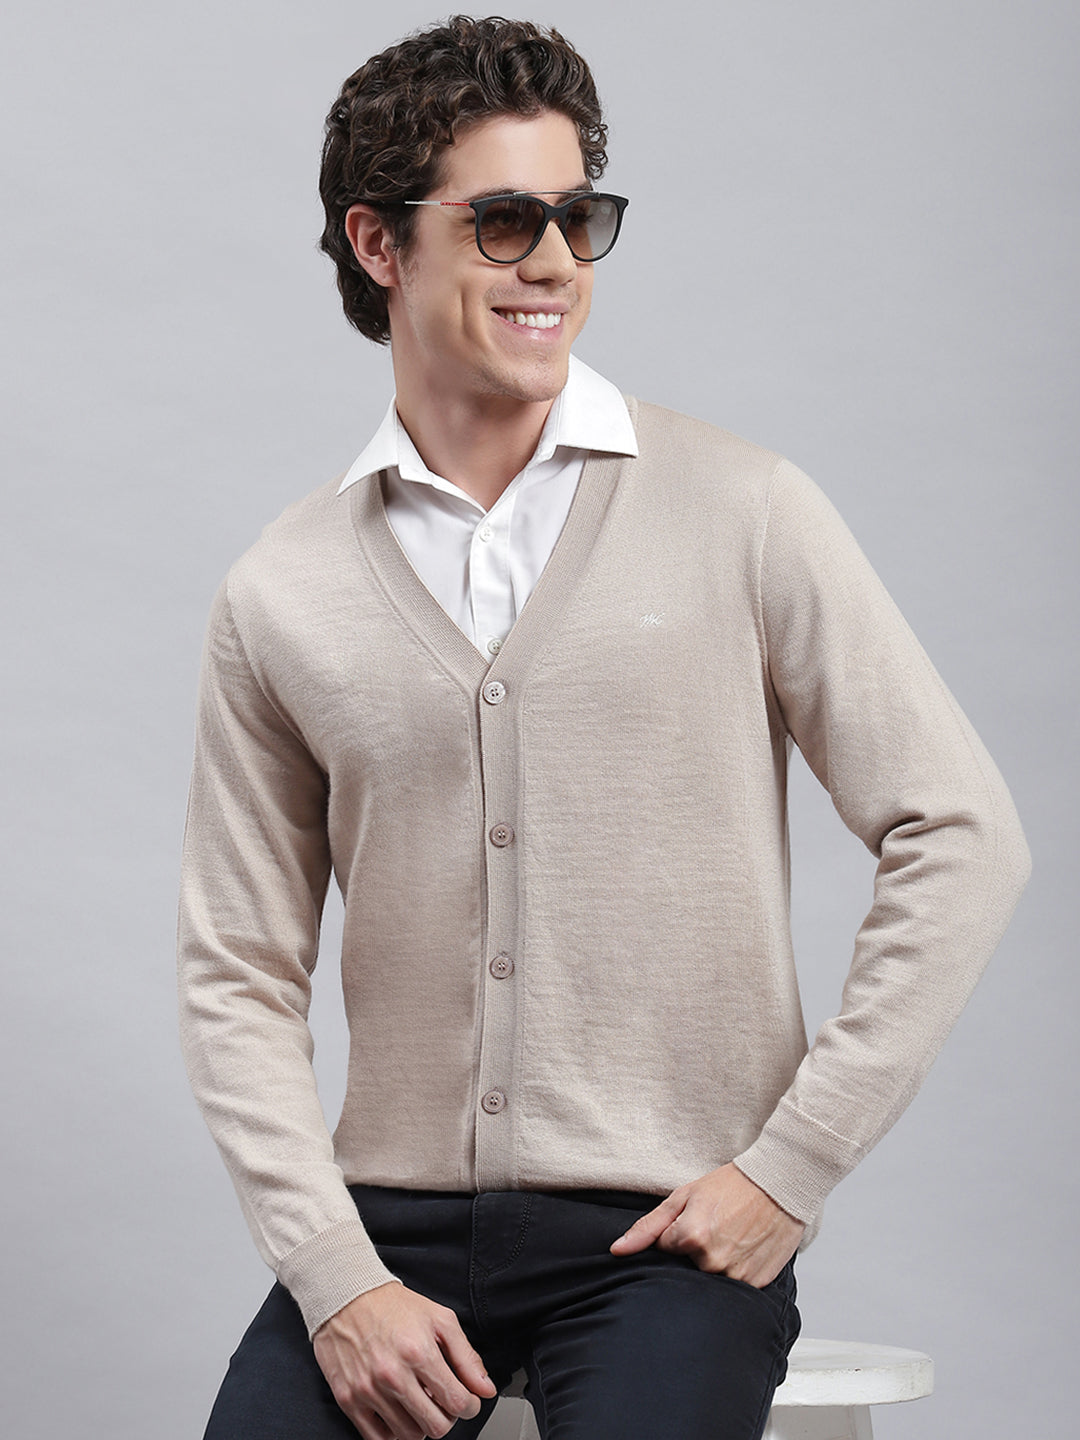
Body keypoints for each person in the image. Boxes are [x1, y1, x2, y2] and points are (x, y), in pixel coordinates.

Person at [178, 16, 1030, 1440]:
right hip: (384, 1235)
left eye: (579, 219)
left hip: (665, 1241)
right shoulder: (284, 589)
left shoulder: (744, 512)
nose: (559, 264)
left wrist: (792, 1166)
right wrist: (334, 1276)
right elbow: (237, 972)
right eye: (505, 222)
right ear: (379, 244)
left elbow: (964, 833)